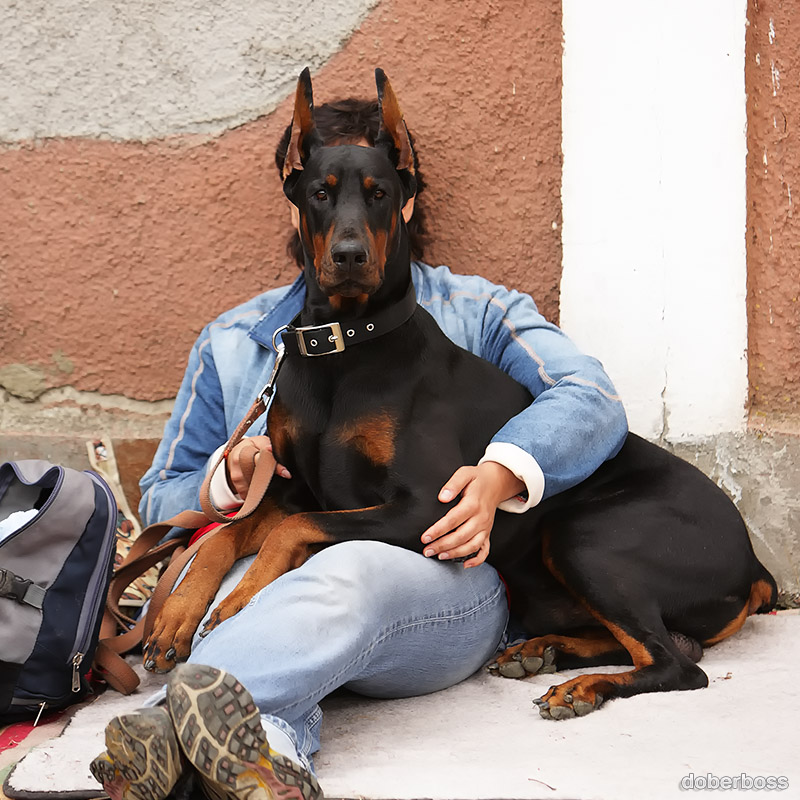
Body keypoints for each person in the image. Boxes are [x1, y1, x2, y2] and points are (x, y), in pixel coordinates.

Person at [90, 98, 628, 800]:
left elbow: (592, 400)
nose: (347, 228)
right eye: (324, 193)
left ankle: (168, 731)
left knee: (349, 577)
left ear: (402, 200)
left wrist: (502, 472)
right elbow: (164, 488)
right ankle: (260, 757)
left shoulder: (478, 313)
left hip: (432, 588)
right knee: (256, 584)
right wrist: (225, 483)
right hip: (264, 587)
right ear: (297, 206)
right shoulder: (234, 337)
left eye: (369, 195)